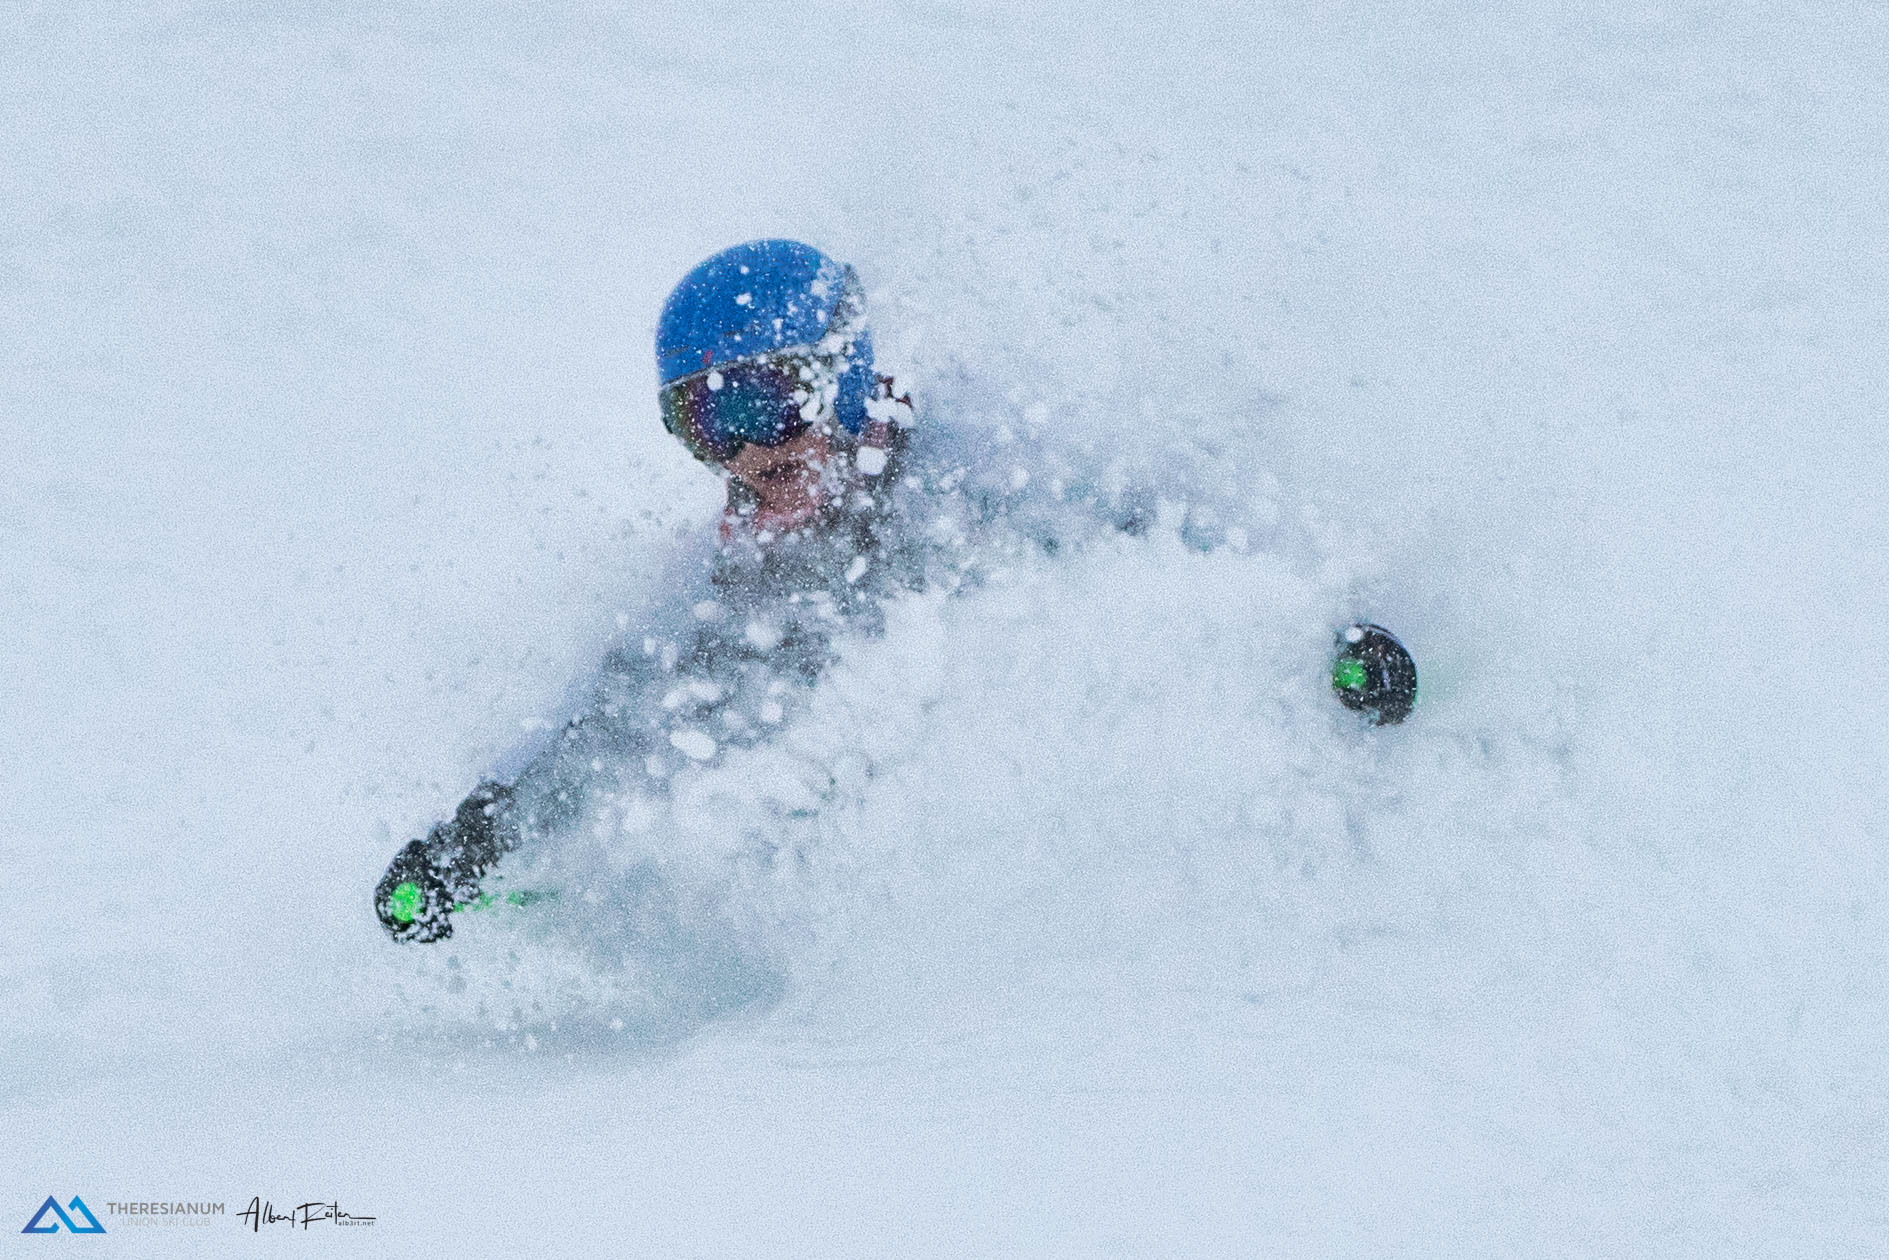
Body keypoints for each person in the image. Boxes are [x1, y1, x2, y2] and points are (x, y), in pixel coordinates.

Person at [374, 240, 927, 942]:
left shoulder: (959, 497)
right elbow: (618, 719)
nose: (747, 450)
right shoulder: (733, 585)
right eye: (710, 423)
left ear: (840, 373)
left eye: (766, 404)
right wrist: (475, 845)